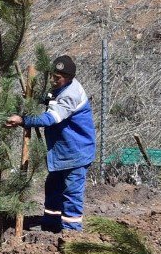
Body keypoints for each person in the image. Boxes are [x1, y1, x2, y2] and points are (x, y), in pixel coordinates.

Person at [5, 54, 96, 232]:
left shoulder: (71, 94)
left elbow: (50, 118)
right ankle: (51, 224)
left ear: (69, 78)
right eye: (53, 76)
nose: (53, 81)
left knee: (71, 193)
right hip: (63, 150)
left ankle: (71, 231)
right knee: (53, 186)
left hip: (76, 151)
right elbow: (50, 97)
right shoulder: (61, 87)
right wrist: (36, 97)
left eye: (58, 78)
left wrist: (23, 120)